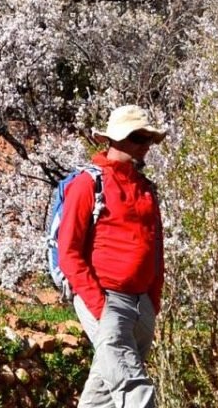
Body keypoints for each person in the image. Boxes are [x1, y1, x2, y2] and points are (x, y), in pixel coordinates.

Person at [57, 104, 166, 408]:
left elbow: (156, 248)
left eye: (148, 140)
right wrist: (98, 303)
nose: (146, 147)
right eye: (139, 138)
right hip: (106, 299)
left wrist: (152, 301)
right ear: (117, 139)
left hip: (141, 302)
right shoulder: (88, 184)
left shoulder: (146, 190)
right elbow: (68, 250)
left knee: (103, 392)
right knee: (134, 388)